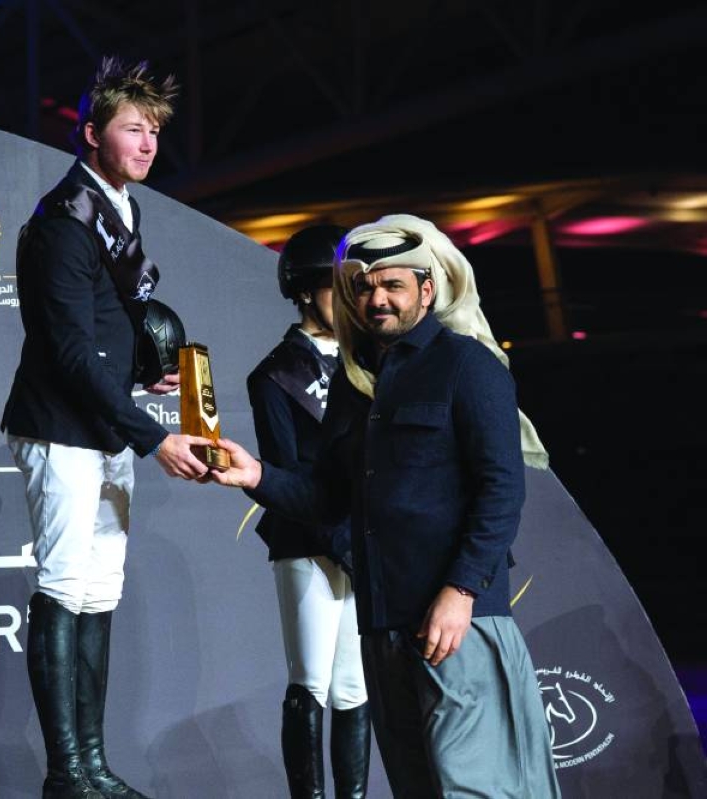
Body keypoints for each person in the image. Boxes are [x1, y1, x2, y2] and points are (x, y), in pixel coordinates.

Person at [211, 214, 559, 798]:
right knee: (417, 786)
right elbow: (328, 498)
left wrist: (462, 592)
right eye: (364, 287)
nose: (376, 299)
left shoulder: (467, 366)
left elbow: (501, 490)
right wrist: (256, 476)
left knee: (476, 787)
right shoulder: (354, 380)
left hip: (457, 622)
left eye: (393, 285)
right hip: (383, 626)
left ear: (427, 289)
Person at [1, 56, 211, 799]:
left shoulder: (122, 207)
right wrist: (153, 435)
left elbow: (102, 331)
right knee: (63, 587)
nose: (148, 144)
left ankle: (92, 763)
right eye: (133, 128)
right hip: (60, 427)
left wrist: (140, 375)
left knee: (98, 593)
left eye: (154, 131)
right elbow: (63, 349)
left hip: (104, 424)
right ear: (91, 134)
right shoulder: (64, 220)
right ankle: (66, 771)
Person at [248, 225, 369, 798]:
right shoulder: (274, 375)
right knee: (312, 682)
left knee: (355, 687)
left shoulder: (369, 360)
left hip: (362, 541)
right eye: (334, 287)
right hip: (306, 542)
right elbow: (283, 475)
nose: (348, 299)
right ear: (302, 290)